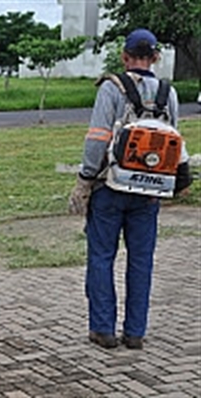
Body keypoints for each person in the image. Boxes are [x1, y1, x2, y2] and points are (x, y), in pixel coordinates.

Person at [68, 28, 193, 350]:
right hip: (149, 191)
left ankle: (103, 330)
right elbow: (174, 141)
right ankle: (135, 333)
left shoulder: (112, 89)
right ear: (155, 58)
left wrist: (84, 181)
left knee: (101, 257)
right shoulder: (170, 93)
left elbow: (97, 139)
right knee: (141, 261)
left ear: (124, 57)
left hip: (110, 187)